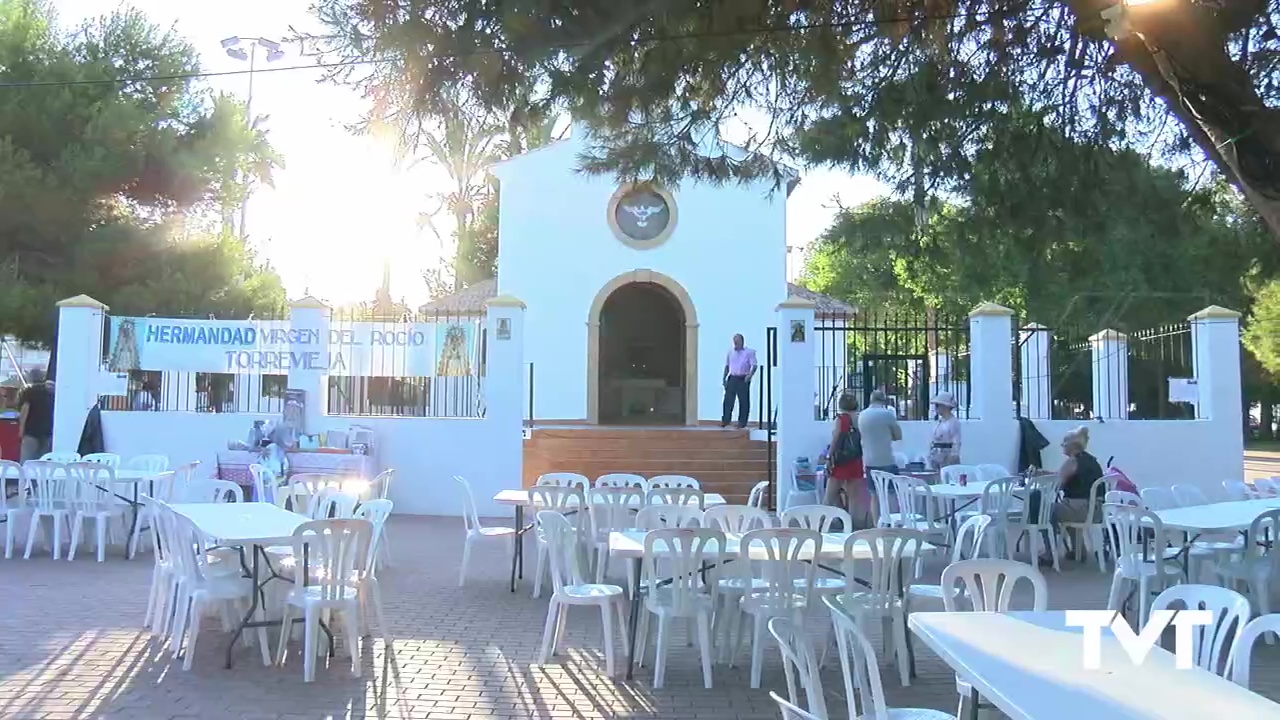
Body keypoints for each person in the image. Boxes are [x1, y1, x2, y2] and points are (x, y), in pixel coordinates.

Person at [824, 392, 870, 528]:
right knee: (854, 497)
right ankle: (853, 526)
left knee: (830, 495)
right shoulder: (860, 418)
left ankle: (821, 523)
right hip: (856, 460)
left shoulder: (841, 418)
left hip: (841, 461)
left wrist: (829, 456)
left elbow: (836, 438)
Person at [1055, 426, 1104, 524]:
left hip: (1080, 511)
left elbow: (1056, 484)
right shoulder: (1091, 460)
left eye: (1065, 442)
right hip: (1096, 511)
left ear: (1073, 445)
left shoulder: (1073, 461)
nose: (1062, 445)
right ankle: (1074, 539)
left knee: (1042, 509)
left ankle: (1044, 538)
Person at [859, 390, 902, 476]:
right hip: (886, 460)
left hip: (868, 461)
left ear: (871, 399)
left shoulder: (862, 415)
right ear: (883, 400)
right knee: (889, 488)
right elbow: (898, 436)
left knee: (872, 489)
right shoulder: (887, 414)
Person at [721, 333, 757, 429]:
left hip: (743, 378)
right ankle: (726, 420)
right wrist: (724, 378)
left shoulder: (749, 352)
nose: (735, 343)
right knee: (728, 400)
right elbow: (727, 366)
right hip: (732, 377)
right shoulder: (730, 352)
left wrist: (750, 376)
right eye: (734, 341)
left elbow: (754, 365)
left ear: (742, 342)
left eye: (737, 342)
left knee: (743, 401)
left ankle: (742, 422)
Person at [18, 368, 53, 462]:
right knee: (42, 464)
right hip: (47, 432)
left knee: (26, 462)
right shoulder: (50, 392)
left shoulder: (29, 391)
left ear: (31, 377)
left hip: (31, 432)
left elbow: (25, 410)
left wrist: (21, 429)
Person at [927, 391, 961, 469]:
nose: (936, 408)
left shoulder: (953, 422)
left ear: (945, 406)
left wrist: (953, 455)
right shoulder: (939, 421)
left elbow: (956, 440)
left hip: (947, 455)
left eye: (938, 405)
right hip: (936, 455)